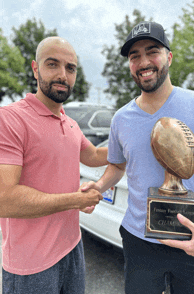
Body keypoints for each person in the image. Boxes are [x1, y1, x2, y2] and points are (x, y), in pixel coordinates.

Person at [82, 21, 194, 293]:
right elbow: (118, 167)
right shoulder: (121, 118)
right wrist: (97, 187)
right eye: (135, 56)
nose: (144, 61)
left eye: (152, 51)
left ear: (168, 56)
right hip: (139, 242)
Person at [0, 36, 108, 294]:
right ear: (35, 69)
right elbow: (5, 199)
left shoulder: (69, 123)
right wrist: (75, 200)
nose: (62, 75)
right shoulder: (11, 119)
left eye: (70, 68)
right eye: (53, 64)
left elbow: (92, 155)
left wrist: (131, 147)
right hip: (31, 264)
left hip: (72, 247)